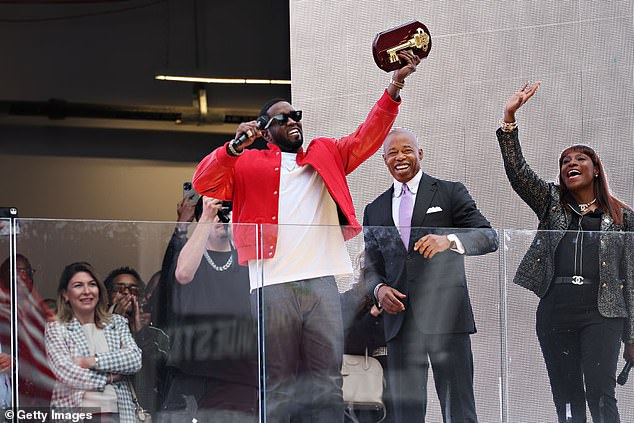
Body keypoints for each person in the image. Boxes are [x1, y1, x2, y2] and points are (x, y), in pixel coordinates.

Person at [192, 51, 421, 422]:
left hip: (320, 283)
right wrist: (233, 148)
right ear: (265, 130)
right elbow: (205, 182)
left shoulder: (324, 152)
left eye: (297, 114)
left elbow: (367, 137)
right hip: (272, 284)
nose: (294, 120)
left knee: (328, 383)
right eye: (284, 117)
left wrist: (394, 85)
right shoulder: (247, 162)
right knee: (278, 385)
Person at [497, 82, 634, 423]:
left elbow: (631, 277)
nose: (570, 163)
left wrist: (632, 335)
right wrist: (509, 118)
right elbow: (519, 174)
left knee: (600, 392)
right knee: (567, 396)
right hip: (556, 308)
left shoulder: (623, 216)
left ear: (596, 168)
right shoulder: (551, 203)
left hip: (603, 312)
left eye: (579, 158)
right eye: (564, 162)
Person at [363, 128, 499, 423]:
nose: (401, 157)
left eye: (407, 150)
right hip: (400, 323)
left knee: (459, 408)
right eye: (393, 153)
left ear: (420, 154)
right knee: (405, 413)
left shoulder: (450, 192)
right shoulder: (374, 209)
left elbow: (489, 237)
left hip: (447, 317)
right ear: (383, 159)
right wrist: (378, 291)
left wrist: (449, 240)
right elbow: (370, 267)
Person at [160, 196, 257, 422]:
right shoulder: (191, 254)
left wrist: (236, 228)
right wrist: (206, 217)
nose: (220, 217)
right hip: (192, 373)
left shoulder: (245, 258)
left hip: (238, 375)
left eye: (227, 210)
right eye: (216, 210)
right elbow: (183, 274)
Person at [45, 262, 142, 422]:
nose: (87, 291)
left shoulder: (117, 322)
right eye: (78, 285)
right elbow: (67, 373)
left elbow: (134, 359)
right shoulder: (56, 328)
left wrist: (91, 361)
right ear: (65, 294)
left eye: (92, 284)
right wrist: (109, 378)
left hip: (119, 415)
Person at [104, 266, 169, 417]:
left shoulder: (156, 335)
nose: (126, 293)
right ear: (107, 296)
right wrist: (113, 324)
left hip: (145, 414)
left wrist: (140, 334)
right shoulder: (94, 330)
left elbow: (162, 374)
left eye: (134, 290)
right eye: (119, 289)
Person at [0, 254, 55, 406]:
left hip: (41, 401)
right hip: (11, 402)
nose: (23, 277)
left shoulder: (42, 318)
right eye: (16, 272)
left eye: (28, 272)